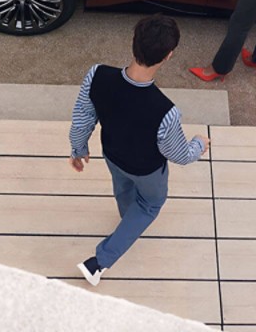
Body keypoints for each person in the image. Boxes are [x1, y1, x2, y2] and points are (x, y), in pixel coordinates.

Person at [68, 14, 210, 286]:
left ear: (134, 42)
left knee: (123, 188)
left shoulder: (97, 75)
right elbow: (179, 155)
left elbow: (82, 118)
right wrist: (199, 144)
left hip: (111, 154)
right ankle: (99, 262)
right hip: (147, 171)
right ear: (168, 55)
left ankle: (126, 217)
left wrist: (78, 149)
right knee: (149, 205)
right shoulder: (166, 111)